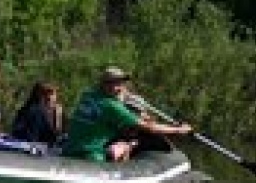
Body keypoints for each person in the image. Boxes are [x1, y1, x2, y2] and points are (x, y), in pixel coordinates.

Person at [61, 67, 192, 162]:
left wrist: (125, 95)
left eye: (121, 83)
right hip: (91, 155)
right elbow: (150, 127)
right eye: (115, 84)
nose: (120, 87)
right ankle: (122, 173)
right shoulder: (111, 106)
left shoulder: (88, 95)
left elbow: (114, 96)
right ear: (105, 85)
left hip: (69, 150)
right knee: (128, 144)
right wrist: (179, 130)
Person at [12, 81, 66, 146]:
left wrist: (58, 118)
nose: (50, 97)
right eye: (45, 94)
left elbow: (61, 134)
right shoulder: (33, 111)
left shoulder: (57, 111)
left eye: (52, 94)